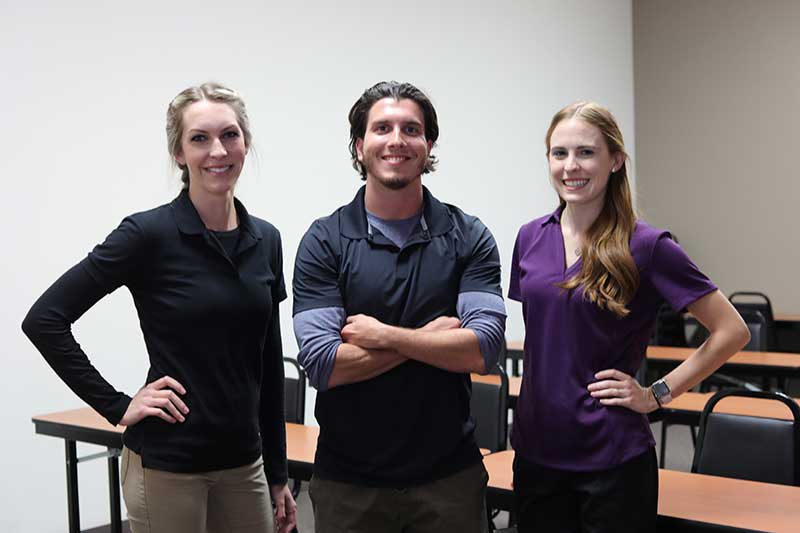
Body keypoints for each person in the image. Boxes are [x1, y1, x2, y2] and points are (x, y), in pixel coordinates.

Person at [22, 82, 297, 533]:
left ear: (245, 143)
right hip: (170, 465)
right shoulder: (148, 235)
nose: (217, 151)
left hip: (244, 464)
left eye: (230, 135)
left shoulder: (265, 239)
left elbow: (267, 360)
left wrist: (279, 473)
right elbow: (45, 319)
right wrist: (116, 405)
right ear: (179, 153)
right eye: (199, 138)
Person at [508, 101, 750, 532]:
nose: (570, 166)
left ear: (615, 160)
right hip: (537, 452)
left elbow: (731, 330)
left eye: (586, 152)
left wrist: (656, 393)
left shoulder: (648, 245)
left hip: (611, 459)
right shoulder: (529, 237)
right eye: (559, 153)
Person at [292, 80, 507, 533]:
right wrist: (431, 339)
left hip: (450, 480)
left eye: (411, 129)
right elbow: (323, 365)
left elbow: (483, 350)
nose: (397, 140)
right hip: (349, 484)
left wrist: (384, 336)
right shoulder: (324, 241)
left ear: (428, 145)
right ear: (359, 145)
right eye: (382, 128)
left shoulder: (468, 235)